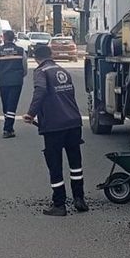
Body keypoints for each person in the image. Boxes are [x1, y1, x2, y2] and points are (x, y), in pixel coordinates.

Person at [23, 44, 87, 216]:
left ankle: (59, 204)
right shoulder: (62, 70)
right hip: (73, 122)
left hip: (54, 125)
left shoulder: (41, 72)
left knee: (55, 164)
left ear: (35, 58)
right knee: (75, 163)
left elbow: (40, 91)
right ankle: (79, 199)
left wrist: (31, 114)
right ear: (50, 54)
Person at [0, 30, 28, 138]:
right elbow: (24, 67)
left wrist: (2, 74)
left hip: (3, 81)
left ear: (4, 38)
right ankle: (8, 129)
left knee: (6, 104)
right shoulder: (20, 51)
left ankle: (8, 127)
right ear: (14, 38)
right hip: (17, 81)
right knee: (12, 104)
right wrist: (20, 75)